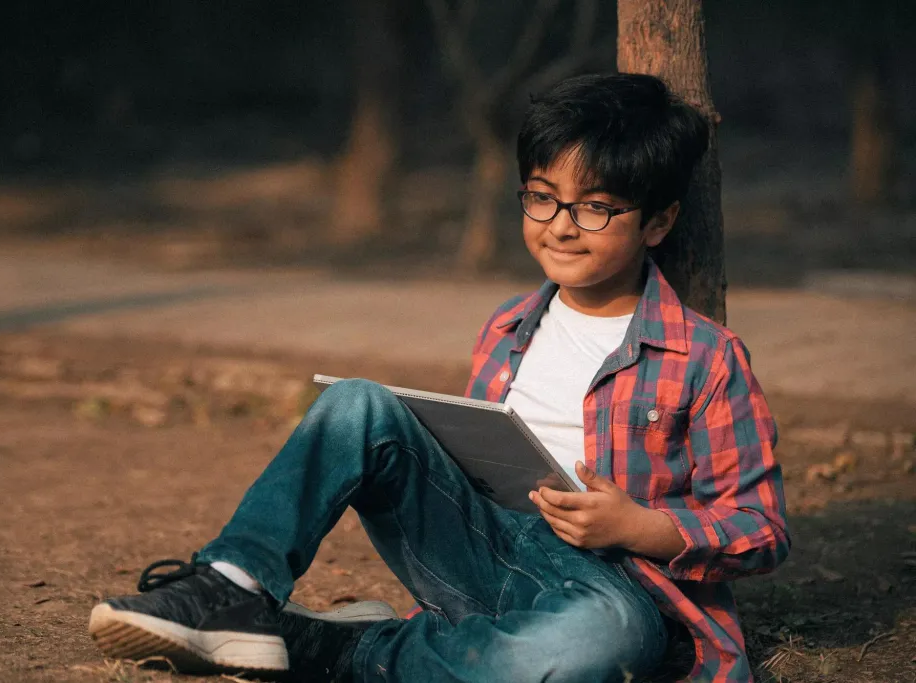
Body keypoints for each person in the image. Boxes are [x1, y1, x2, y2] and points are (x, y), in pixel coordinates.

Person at [87, 73, 790, 683]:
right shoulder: (507, 329)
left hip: (610, 588)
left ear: (658, 221)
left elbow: (761, 527)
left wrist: (641, 525)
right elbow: (465, 471)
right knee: (358, 402)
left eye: (596, 208)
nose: (562, 226)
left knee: (595, 643)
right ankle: (230, 587)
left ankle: (343, 650)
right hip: (484, 551)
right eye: (542, 197)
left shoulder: (704, 356)